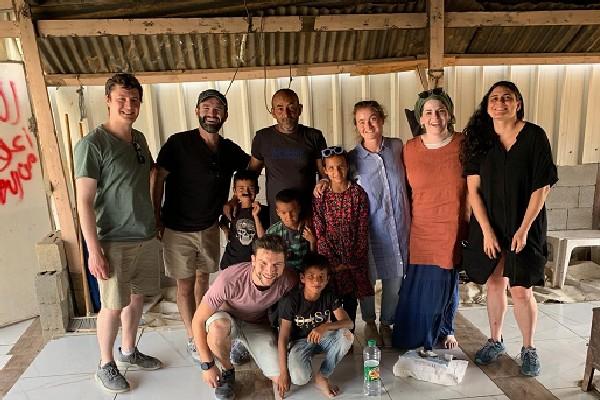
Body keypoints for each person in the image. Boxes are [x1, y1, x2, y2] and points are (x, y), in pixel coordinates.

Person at [461, 81, 558, 376]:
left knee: (520, 289)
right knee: (493, 283)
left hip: (525, 224)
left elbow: (542, 186)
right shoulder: (479, 139)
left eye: (507, 98)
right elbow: (473, 190)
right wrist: (487, 231)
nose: (500, 103)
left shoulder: (534, 136)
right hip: (489, 225)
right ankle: (495, 340)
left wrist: (524, 228)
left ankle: (529, 348)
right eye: (494, 98)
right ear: (487, 105)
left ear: (518, 103)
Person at [74, 73, 162, 393]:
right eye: (122, 99)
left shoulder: (138, 139)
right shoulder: (92, 144)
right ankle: (105, 363)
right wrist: (93, 250)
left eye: (134, 99)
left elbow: (148, 178)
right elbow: (83, 201)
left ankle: (128, 350)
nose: (129, 105)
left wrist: (155, 219)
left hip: (143, 235)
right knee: (111, 305)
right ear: (108, 101)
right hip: (112, 240)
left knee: (136, 297)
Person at [153, 89, 250, 364]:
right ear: (197, 111)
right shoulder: (178, 144)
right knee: (183, 287)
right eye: (206, 107)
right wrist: (155, 216)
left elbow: (251, 169)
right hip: (177, 229)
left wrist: (233, 199)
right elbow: (157, 178)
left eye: (218, 109)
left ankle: (203, 325)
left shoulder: (228, 149)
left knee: (203, 282)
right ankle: (192, 338)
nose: (212, 113)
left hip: (208, 227)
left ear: (225, 115)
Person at [316, 101, 410, 347]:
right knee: (366, 279)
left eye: (372, 118)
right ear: (356, 125)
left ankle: (387, 323)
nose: (367, 125)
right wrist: (323, 182)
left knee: (395, 279)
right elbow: (336, 176)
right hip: (368, 232)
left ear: (382, 118)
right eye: (361, 121)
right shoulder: (352, 157)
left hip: (398, 226)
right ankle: (369, 323)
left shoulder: (398, 146)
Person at [392, 89, 466, 354]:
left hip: (452, 225)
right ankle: (416, 330)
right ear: (420, 118)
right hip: (421, 226)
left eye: (441, 111)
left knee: (445, 281)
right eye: (429, 112)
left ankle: (446, 328)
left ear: (450, 114)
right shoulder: (409, 149)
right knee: (419, 283)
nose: (435, 117)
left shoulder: (463, 144)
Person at [192, 235, 298, 400]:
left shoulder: (289, 279)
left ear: (285, 263)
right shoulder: (229, 279)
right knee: (218, 327)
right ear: (253, 260)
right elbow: (198, 320)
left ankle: (242, 346)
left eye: (277, 264)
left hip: (256, 323)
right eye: (263, 263)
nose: (270, 271)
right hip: (226, 319)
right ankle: (227, 370)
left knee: (279, 378)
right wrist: (207, 365)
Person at [312, 146, 373, 331]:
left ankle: (349, 336)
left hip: (353, 258)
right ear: (324, 170)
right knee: (331, 298)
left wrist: (350, 261)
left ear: (348, 167)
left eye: (340, 166)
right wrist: (333, 262)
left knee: (350, 300)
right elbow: (319, 229)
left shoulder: (358, 193)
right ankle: (331, 336)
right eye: (331, 168)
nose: (336, 171)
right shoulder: (320, 196)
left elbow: (362, 229)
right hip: (330, 258)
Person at [277, 253, 354, 399]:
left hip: (323, 337)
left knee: (346, 336)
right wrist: (283, 373)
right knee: (300, 379)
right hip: (300, 342)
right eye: (311, 276)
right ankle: (304, 365)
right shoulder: (291, 300)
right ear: (302, 278)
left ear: (327, 279)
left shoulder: (329, 295)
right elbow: (283, 336)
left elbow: (349, 323)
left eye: (321, 276)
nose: (316, 281)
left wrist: (324, 327)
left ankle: (322, 376)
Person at [248, 88, 327, 223]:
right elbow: (251, 174)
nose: (286, 114)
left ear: (300, 109)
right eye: (280, 109)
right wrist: (240, 200)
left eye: (291, 107)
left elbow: (325, 174)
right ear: (273, 112)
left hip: (307, 215)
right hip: (278, 216)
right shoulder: (263, 138)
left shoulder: (314, 136)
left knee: (308, 244)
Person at [219, 170, 269, 270]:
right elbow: (222, 222)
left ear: (258, 190)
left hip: (253, 264)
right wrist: (226, 230)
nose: (246, 192)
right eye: (241, 188)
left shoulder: (263, 211)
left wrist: (256, 216)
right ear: (234, 190)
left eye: (250, 188)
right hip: (231, 262)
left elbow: (262, 237)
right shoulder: (232, 209)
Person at [266, 188, 316, 272]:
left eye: (292, 212)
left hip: (305, 274)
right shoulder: (273, 232)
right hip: (283, 275)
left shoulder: (308, 228)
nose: (289, 217)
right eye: (284, 213)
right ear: (278, 212)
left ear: (299, 209)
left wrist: (312, 241)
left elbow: (314, 258)